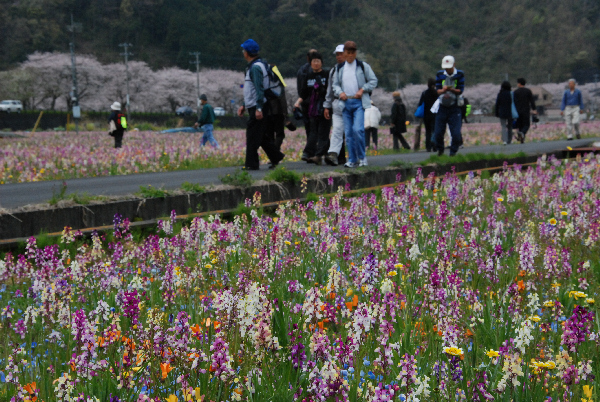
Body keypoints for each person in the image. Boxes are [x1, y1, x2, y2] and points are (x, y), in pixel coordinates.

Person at [237, 39, 285, 170]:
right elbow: (252, 89)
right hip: (256, 105)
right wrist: (244, 105)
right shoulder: (259, 65)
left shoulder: (256, 67)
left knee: (252, 135)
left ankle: (251, 164)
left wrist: (258, 108)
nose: (243, 52)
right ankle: (276, 156)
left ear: (247, 52)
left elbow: (259, 89)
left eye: (243, 50)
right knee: (261, 135)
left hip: (258, 106)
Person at [331, 41, 378, 167]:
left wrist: (362, 89)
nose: (350, 55)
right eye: (348, 52)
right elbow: (335, 84)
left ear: (355, 53)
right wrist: (340, 92)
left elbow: (373, 80)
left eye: (353, 52)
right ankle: (352, 159)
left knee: (358, 130)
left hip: (358, 103)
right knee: (349, 133)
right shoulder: (339, 68)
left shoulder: (362, 66)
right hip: (345, 103)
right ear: (344, 53)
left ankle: (362, 157)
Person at [294, 52, 330, 165]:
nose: (315, 63)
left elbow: (329, 92)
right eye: (313, 61)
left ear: (321, 63)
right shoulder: (308, 76)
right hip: (313, 109)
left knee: (323, 132)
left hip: (325, 107)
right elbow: (304, 93)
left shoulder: (326, 75)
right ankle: (313, 153)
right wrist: (297, 102)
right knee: (313, 131)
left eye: (318, 61)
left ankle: (317, 155)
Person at [432, 55, 465, 156]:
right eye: (446, 67)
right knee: (438, 132)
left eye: (449, 67)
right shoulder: (440, 74)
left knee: (455, 133)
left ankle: (453, 152)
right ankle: (440, 149)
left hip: (455, 106)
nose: (448, 69)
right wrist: (443, 90)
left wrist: (451, 89)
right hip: (442, 106)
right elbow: (437, 90)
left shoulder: (459, 74)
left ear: (454, 65)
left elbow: (460, 90)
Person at [324, 44, 347, 166]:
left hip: (351, 103)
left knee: (353, 132)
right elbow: (330, 90)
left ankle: (357, 156)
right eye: (337, 54)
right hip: (337, 104)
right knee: (337, 130)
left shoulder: (355, 69)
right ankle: (333, 154)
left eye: (341, 54)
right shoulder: (333, 70)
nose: (339, 56)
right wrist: (327, 106)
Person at [297, 49, 318, 154]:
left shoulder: (301, 70)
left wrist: (300, 99)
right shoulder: (316, 70)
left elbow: (299, 88)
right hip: (315, 103)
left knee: (308, 128)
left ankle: (311, 151)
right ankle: (311, 151)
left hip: (304, 102)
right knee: (316, 128)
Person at [512, 78, 537, 143]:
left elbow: (513, 102)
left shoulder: (515, 92)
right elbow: (532, 101)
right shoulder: (528, 91)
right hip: (526, 110)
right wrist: (534, 109)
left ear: (519, 83)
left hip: (517, 111)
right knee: (526, 124)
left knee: (520, 125)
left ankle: (521, 139)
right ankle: (522, 134)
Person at [416, 78, 438, 151]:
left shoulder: (424, 93)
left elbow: (420, 104)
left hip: (426, 115)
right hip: (434, 114)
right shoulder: (436, 93)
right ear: (435, 84)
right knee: (434, 130)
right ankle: (434, 145)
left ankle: (428, 147)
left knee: (427, 131)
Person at [495, 81, 514, 145]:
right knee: (510, 126)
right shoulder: (511, 93)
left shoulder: (500, 94)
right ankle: (510, 140)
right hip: (510, 112)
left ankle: (504, 141)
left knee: (503, 126)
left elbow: (497, 104)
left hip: (502, 112)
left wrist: (496, 113)